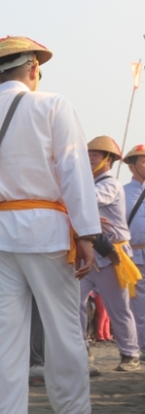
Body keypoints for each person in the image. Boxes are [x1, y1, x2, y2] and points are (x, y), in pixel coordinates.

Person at [0, 35, 113, 414]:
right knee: (63, 330)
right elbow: (74, 172)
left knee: (0, 338)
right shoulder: (53, 104)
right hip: (45, 231)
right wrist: (87, 233)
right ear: (34, 68)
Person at [79, 136, 141, 371]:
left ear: (107, 160)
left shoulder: (109, 184)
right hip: (87, 252)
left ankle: (129, 354)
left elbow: (89, 200)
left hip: (112, 253)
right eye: (87, 154)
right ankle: (82, 349)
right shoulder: (88, 184)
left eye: (94, 155)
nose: (88, 158)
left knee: (118, 307)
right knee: (75, 304)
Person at [124, 144, 145, 360]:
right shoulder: (122, 192)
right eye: (143, 161)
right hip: (134, 255)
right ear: (131, 166)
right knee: (139, 305)